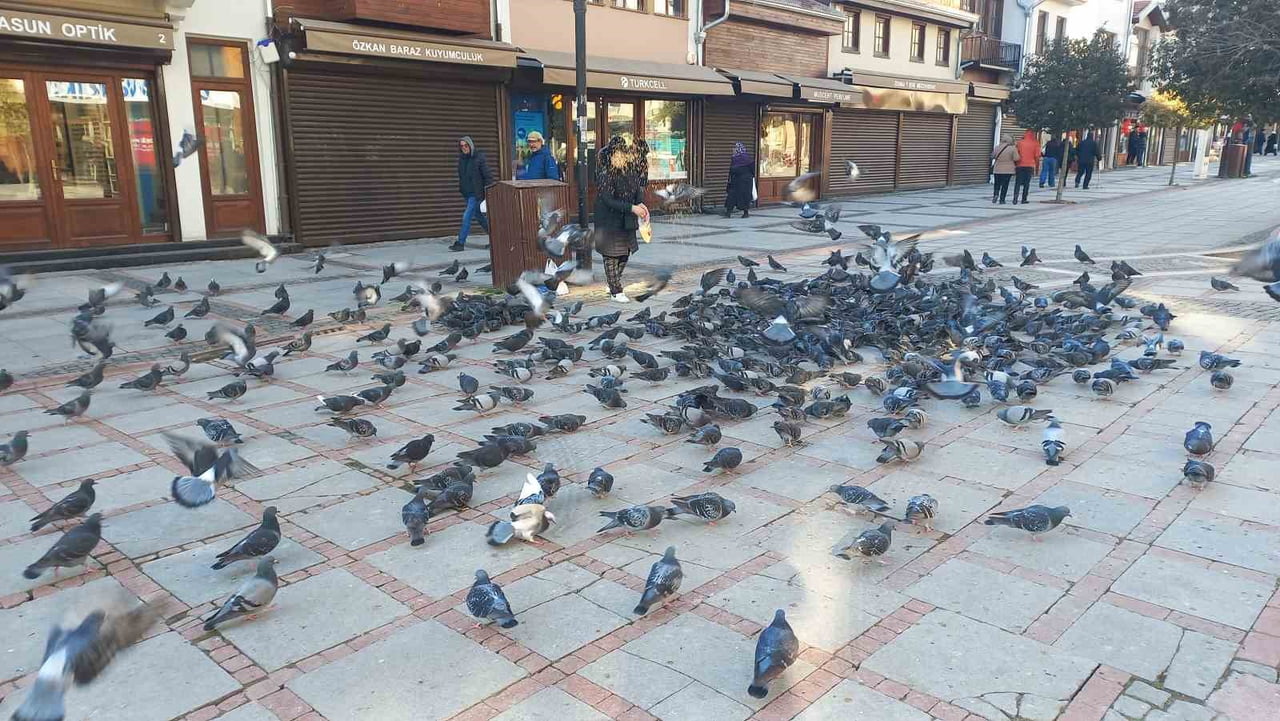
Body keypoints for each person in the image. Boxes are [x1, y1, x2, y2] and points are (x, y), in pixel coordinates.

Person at [594, 136, 649, 303]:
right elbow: (608, 200)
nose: (620, 157)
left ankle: (613, 283)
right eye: (616, 154)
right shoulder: (605, 174)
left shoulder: (631, 170)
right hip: (608, 220)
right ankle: (616, 290)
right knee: (611, 255)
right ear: (611, 155)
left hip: (626, 220)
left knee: (625, 254)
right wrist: (632, 208)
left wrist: (641, 204)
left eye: (622, 154)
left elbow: (638, 190)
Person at [450, 136, 494, 252]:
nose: (464, 148)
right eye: (462, 146)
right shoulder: (461, 160)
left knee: (467, 216)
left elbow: (487, 175)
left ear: (470, 145)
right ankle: (495, 238)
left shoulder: (479, 158)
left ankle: (460, 243)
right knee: (479, 217)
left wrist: (488, 191)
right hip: (467, 193)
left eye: (466, 145)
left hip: (477, 193)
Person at [724, 141, 754, 218]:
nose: (733, 150)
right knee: (744, 196)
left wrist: (729, 181)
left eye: (734, 148)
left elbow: (731, 171)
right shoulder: (747, 158)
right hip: (746, 181)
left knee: (732, 196)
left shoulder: (734, 158)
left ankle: (728, 212)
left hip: (737, 181)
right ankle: (745, 213)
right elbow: (753, 170)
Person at [990, 134, 1019, 204]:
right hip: (1008, 170)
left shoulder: (997, 147)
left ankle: (996, 194)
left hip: (997, 168)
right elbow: (1016, 158)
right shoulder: (1012, 148)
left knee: (997, 183)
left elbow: (992, 156)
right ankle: (1002, 199)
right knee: (1005, 185)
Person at [1013, 130, 1040, 204]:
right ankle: (1024, 199)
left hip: (1020, 165)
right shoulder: (1035, 143)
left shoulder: (1020, 143)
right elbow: (1037, 156)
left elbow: (1016, 153)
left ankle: (1015, 198)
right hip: (1030, 165)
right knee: (1026, 183)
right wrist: (1036, 165)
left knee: (1017, 182)